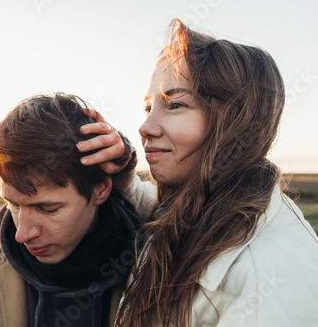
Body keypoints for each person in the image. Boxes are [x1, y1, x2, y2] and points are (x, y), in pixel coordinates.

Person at [79, 19, 318, 326]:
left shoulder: (270, 276)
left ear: (235, 121)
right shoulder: (200, 207)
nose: (145, 127)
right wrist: (123, 169)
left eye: (175, 104)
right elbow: (153, 206)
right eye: (148, 108)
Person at [0, 93, 145, 327]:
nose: (23, 234)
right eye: (14, 204)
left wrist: (126, 163)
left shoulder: (159, 272)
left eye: (48, 208)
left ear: (101, 190)